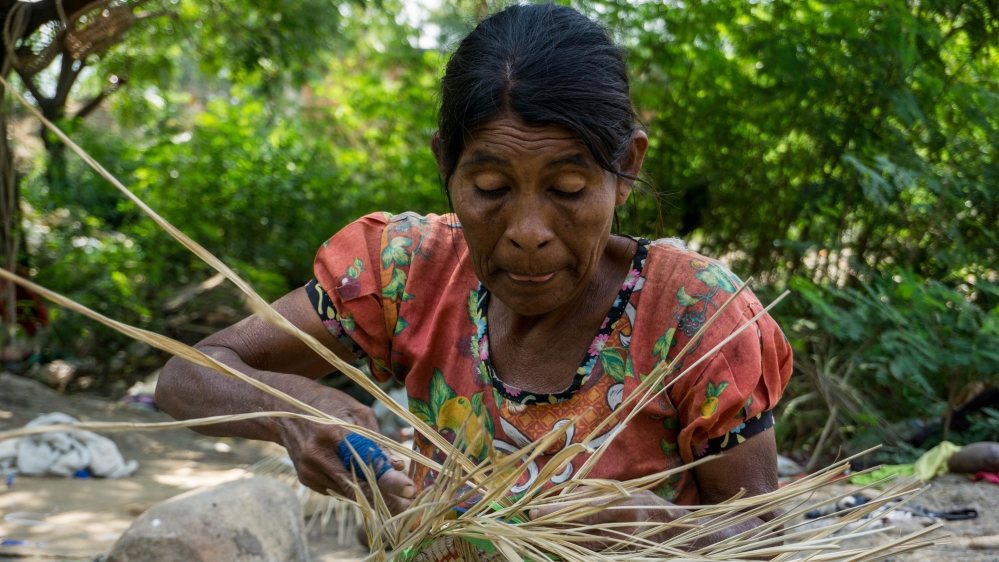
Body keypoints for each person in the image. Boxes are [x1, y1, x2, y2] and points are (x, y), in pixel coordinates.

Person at [156, 3, 792, 547]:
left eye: (569, 188)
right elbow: (185, 375)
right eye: (490, 188)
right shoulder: (408, 271)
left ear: (625, 167)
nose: (527, 229)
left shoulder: (695, 314)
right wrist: (291, 411)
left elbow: (765, 534)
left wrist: (660, 532)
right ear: (445, 164)